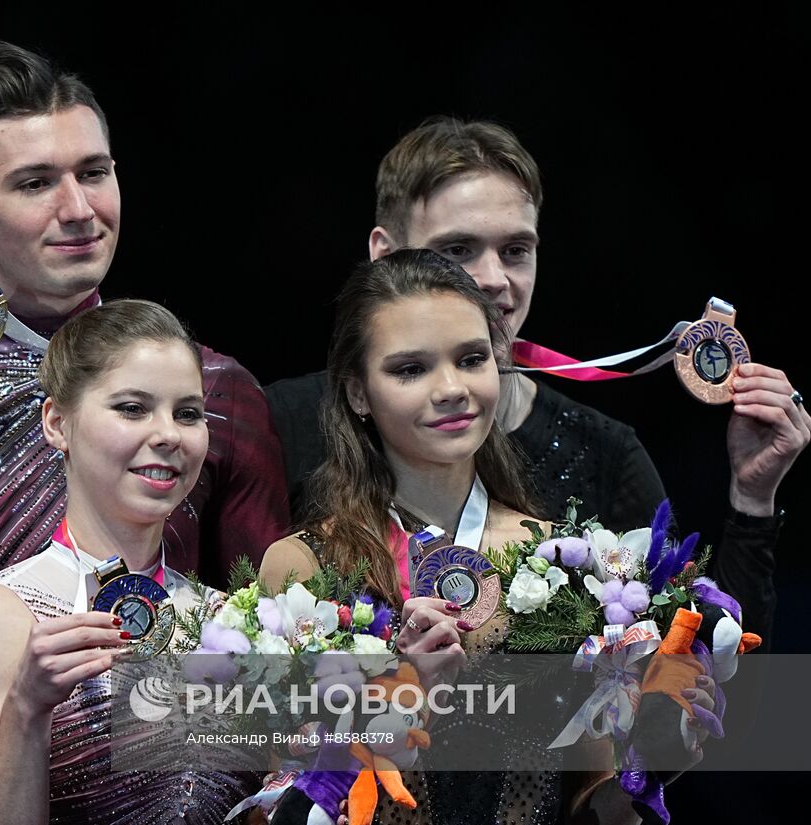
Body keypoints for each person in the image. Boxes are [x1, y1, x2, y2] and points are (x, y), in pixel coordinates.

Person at [260, 249, 727, 825]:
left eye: (471, 359)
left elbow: (588, 824)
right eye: (410, 369)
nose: (452, 388)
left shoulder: (570, 562)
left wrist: (653, 767)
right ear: (357, 393)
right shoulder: (302, 569)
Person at [266, 116, 804, 645]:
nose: (494, 280)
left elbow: (718, 670)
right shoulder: (283, 425)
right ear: (384, 255)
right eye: (456, 251)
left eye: (516, 250)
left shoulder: (604, 452)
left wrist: (753, 500)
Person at [0, 40, 289, 595]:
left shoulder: (216, 391)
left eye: (92, 173)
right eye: (36, 183)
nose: (79, 210)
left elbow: (268, 631)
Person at [0, 300, 274, 825]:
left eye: (187, 413)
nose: (167, 435)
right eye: (133, 408)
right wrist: (27, 706)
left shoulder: (232, 617)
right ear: (57, 424)